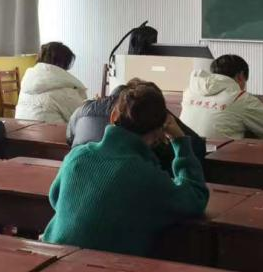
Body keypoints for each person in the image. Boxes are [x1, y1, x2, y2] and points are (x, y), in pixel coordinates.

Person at [43, 79, 209, 256]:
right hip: (105, 269)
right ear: (160, 133)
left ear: (113, 116)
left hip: (51, 258)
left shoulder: (77, 156)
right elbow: (196, 198)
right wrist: (180, 141)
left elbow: (55, 198)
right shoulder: (147, 177)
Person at [67, 86, 208, 171]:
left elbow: (69, 138)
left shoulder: (75, 157)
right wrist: (180, 140)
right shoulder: (143, 171)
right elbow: (197, 147)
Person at [179, 54, 263, 140]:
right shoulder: (240, 98)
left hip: (184, 152)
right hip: (217, 158)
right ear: (240, 76)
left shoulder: (190, 91)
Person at [14, 42, 88, 124]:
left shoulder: (28, 83)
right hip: (49, 132)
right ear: (62, 63)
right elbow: (84, 118)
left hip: (22, 130)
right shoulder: (64, 91)